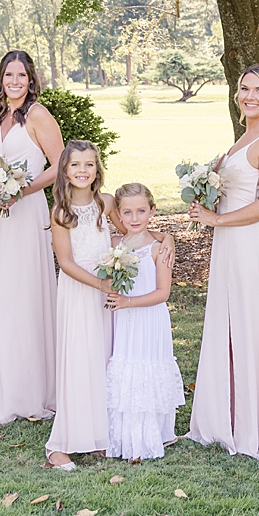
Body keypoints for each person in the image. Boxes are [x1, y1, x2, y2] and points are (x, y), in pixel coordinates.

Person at [186, 65, 259, 458]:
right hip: (230, 242)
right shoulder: (242, 139)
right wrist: (206, 201)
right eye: (244, 89)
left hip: (252, 243)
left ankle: (256, 424)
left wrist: (216, 219)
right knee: (229, 322)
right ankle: (228, 414)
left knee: (251, 324)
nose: (249, 96)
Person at [0, 50, 65, 426]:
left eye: (21, 75)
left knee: (18, 297)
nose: (14, 81)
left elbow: (60, 165)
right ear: (1, 79)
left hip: (27, 213)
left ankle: (24, 391)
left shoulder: (38, 115)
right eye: (8, 74)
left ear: (30, 79)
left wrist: (20, 190)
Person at [43, 141, 117, 469]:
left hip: (105, 289)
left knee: (103, 356)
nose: (83, 170)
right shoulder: (60, 212)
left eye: (89, 164)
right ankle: (63, 442)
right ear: (64, 171)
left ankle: (98, 434)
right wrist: (100, 283)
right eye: (75, 165)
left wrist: (165, 238)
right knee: (78, 358)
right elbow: (67, 262)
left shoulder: (107, 202)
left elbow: (127, 233)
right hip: (78, 290)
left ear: (97, 170)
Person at [104, 183, 185, 461]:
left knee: (147, 367)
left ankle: (153, 434)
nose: (135, 218)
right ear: (118, 213)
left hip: (148, 319)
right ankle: (123, 434)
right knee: (127, 367)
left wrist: (128, 302)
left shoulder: (158, 248)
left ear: (153, 210)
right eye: (127, 212)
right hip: (125, 322)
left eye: (141, 211)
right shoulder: (115, 245)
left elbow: (163, 293)